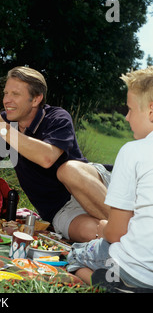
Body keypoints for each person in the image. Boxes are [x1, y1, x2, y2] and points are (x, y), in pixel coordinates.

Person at [0, 66, 110, 242]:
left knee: (67, 170)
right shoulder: (2, 124)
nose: (7, 100)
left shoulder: (57, 117)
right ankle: (128, 235)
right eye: (6, 93)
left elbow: (46, 158)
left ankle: (135, 231)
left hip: (91, 187)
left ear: (36, 99)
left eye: (15, 94)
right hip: (61, 209)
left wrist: (1, 128)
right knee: (99, 234)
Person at [66, 66, 153, 290]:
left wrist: (104, 228)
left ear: (151, 110)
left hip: (136, 272)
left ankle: (108, 284)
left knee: (75, 254)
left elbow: (117, 233)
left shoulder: (133, 151)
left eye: (131, 109)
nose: (126, 116)